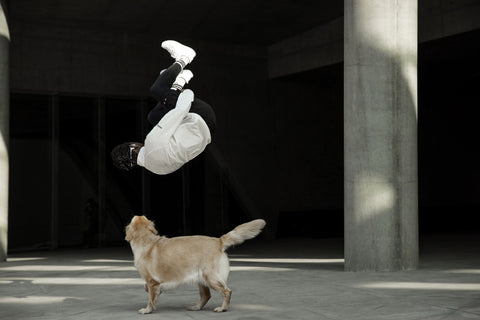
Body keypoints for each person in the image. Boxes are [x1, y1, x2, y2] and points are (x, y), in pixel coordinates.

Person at [111, 40, 216, 175]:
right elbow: (180, 111)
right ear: (133, 147)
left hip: (206, 131)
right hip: (201, 116)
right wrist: (183, 91)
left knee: (153, 117)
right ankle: (184, 59)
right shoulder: (152, 143)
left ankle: (169, 78)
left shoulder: (158, 170)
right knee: (157, 89)